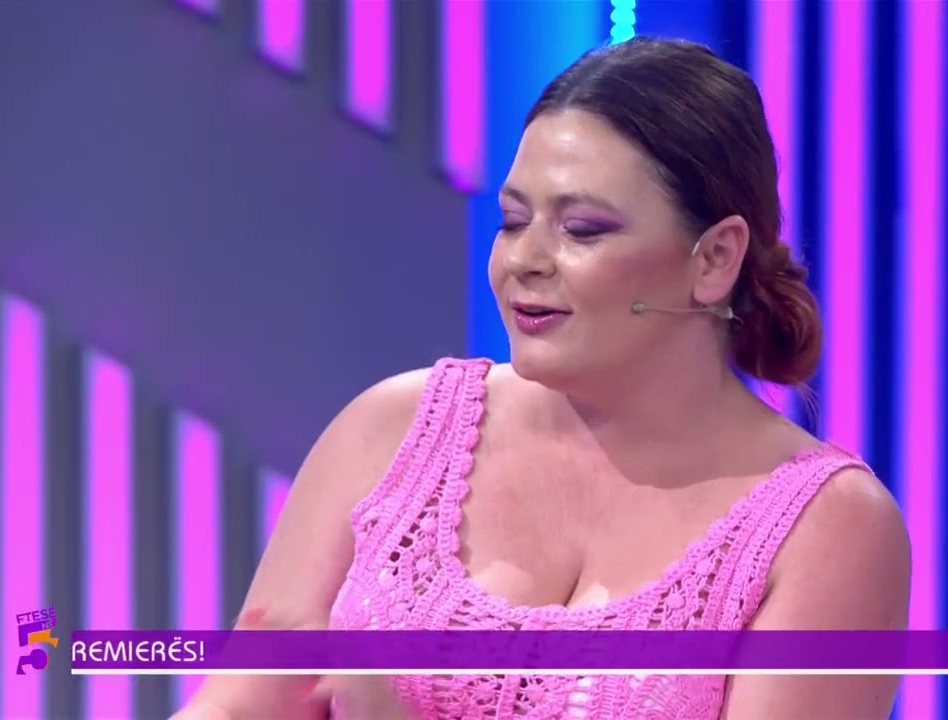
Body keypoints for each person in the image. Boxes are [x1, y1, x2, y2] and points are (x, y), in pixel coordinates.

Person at [174, 37, 910, 720]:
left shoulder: (827, 525)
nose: (525, 260)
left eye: (582, 230)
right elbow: (238, 704)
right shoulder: (395, 429)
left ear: (714, 258)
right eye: (512, 220)